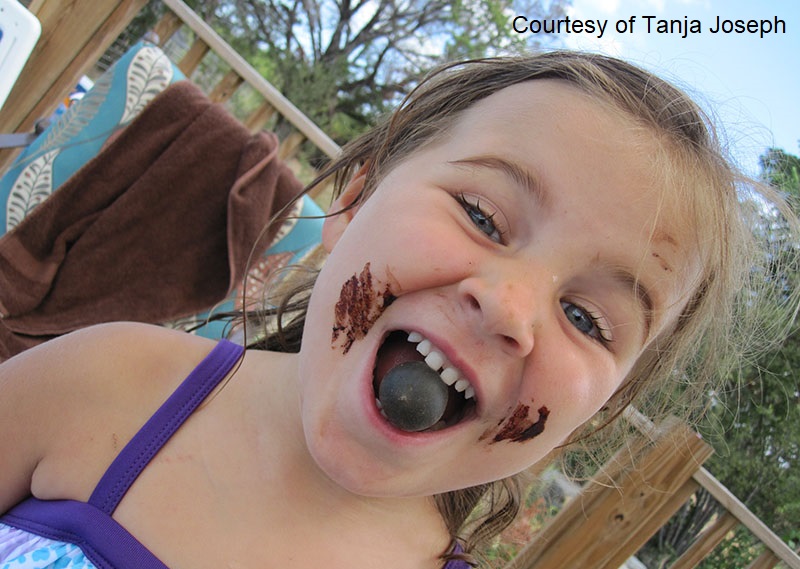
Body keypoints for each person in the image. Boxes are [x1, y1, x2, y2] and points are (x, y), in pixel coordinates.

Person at [0, 50, 797, 569]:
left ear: (592, 416)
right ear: (358, 195)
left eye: (586, 319)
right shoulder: (111, 381)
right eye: (482, 216)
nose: (509, 307)